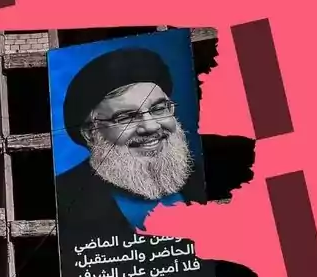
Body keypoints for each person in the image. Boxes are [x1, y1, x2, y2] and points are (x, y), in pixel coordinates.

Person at [57, 46, 207, 239]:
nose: (151, 126)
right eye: (126, 117)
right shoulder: (64, 199)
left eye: (159, 109)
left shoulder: (203, 177)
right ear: (90, 133)